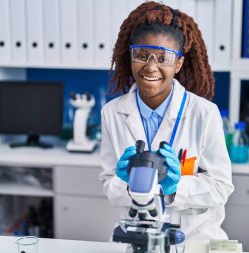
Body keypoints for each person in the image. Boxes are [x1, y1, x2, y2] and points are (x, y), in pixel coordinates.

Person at [99, 1, 234, 241]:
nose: (151, 66)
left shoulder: (204, 114)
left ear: (179, 63)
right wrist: (127, 184)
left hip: (194, 236)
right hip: (134, 233)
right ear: (130, 56)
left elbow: (221, 188)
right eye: (141, 55)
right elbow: (110, 186)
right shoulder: (112, 113)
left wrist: (174, 189)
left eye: (164, 58)